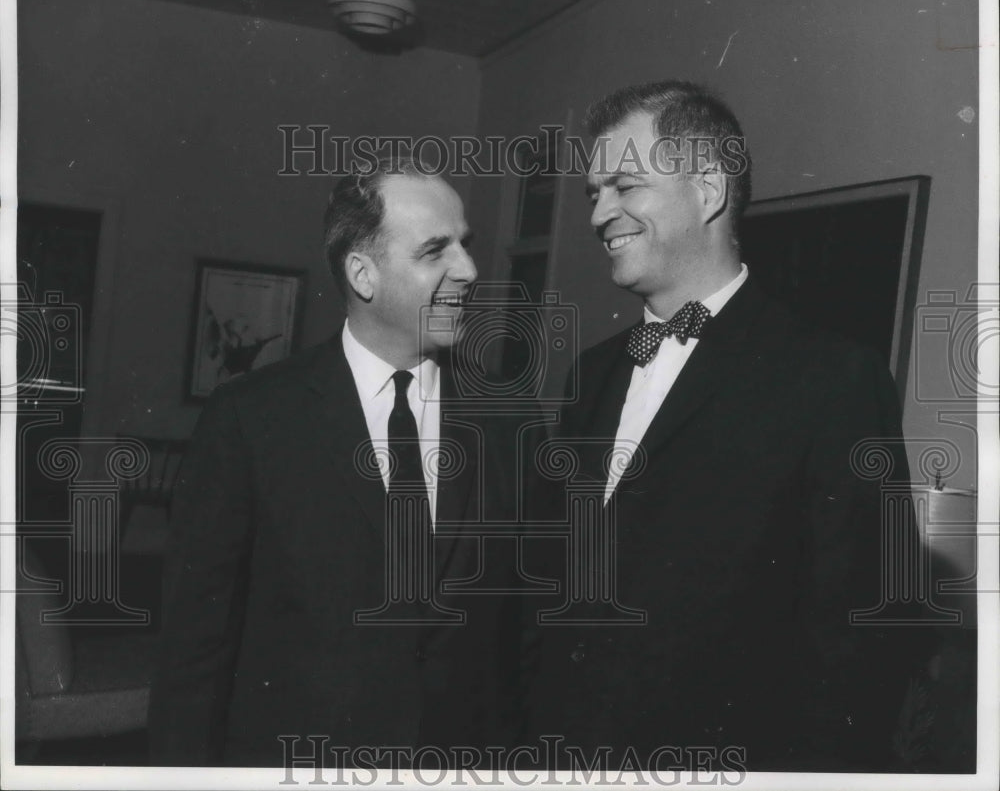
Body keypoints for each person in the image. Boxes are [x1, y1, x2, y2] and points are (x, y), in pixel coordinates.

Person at [523, 81, 923, 771]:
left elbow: (861, 643)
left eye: (623, 185)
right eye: (594, 193)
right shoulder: (589, 374)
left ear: (708, 191)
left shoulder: (833, 379)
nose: (599, 214)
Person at [149, 158, 524, 767]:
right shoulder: (251, 418)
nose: (470, 270)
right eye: (436, 250)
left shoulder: (510, 418)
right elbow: (194, 650)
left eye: (467, 245)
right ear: (363, 273)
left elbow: (523, 635)